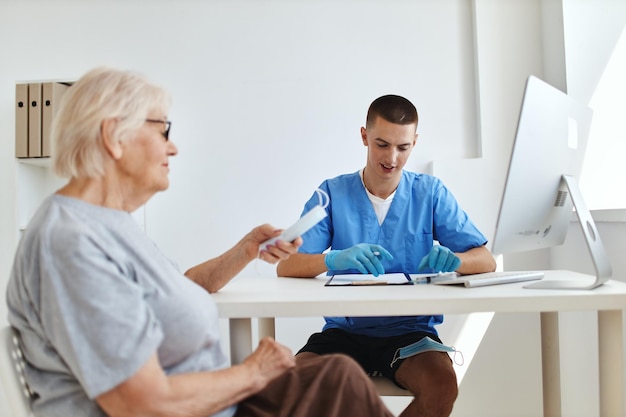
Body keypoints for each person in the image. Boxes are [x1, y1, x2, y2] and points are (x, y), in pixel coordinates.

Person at [5, 67, 395, 417]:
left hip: (217, 401)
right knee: (340, 383)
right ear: (113, 136)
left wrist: (246, 250)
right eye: (163, 130)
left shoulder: (109, 224)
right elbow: (141, 404)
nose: (172, 147)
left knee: (337, 376)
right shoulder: (70, 242)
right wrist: (252, 372)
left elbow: (178, 288)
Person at [276, 94, 497, 417]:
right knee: (293, 384)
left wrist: (457, 261)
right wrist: (332, 260)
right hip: (344, 334)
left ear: (414, 143)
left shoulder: (430, 194)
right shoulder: (332, 194)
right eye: (381, 144)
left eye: (403, 147)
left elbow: (486, 259)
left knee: (442, 386)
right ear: (364, 136)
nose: (391, 157)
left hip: (409, 334)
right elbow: (286, 265)